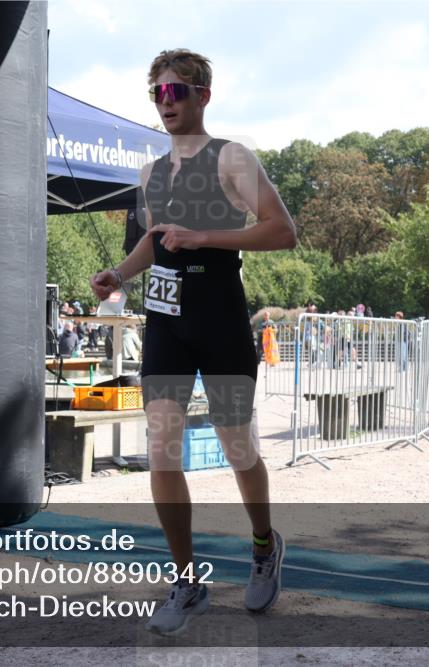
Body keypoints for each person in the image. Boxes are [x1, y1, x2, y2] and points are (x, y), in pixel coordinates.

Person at [89, 49, 296, 636]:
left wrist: (203, 234)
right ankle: (187, 579)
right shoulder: (151, 173)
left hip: (219, 313)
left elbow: (283, 231)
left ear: (203, 94)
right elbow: (154, 242)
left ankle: (263, 544)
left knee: (237, 449)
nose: (164, 103)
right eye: (156, 93)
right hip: (166, 319)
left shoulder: (231, 157)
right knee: (161, 450)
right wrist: (118, 275)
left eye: (175, 92)